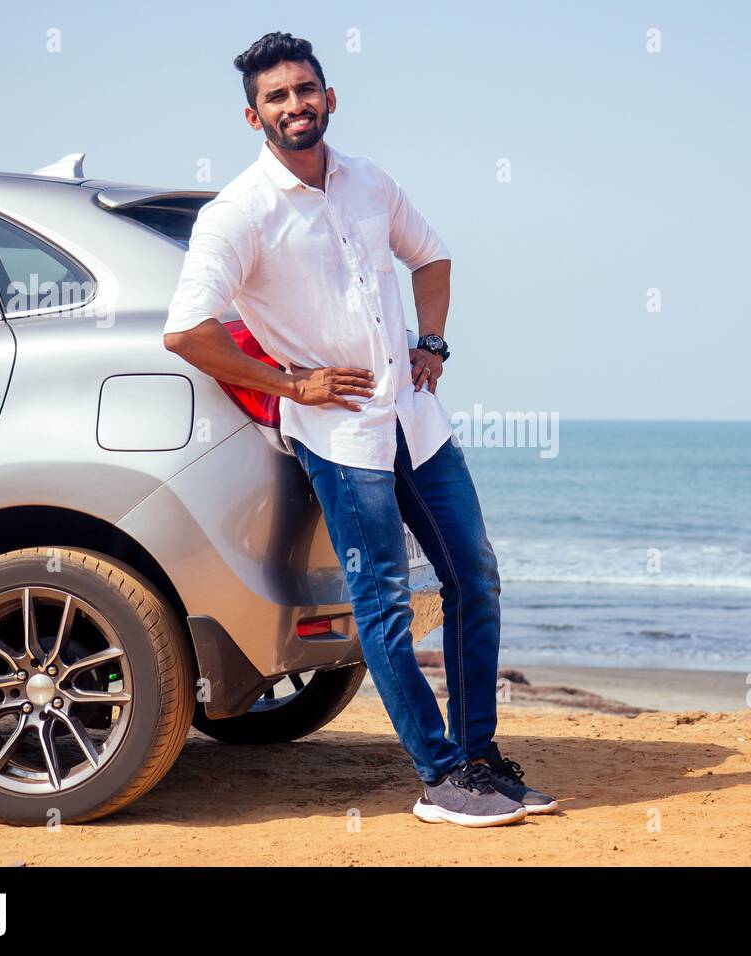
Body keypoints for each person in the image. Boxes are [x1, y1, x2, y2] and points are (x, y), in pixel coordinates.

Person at [161, 31, 556, 827]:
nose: (294, 105)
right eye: (276, 97)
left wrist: (432, 343)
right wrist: (289, 383)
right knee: (382, 602)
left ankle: (481, 760)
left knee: (475, 579)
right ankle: (440, 779)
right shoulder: (239, 212)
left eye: (305, 89)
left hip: (414, 421)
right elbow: (186, 331)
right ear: (253, 116)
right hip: (340, 438)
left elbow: (433, 257)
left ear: (329, 97)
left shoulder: (369, 182)